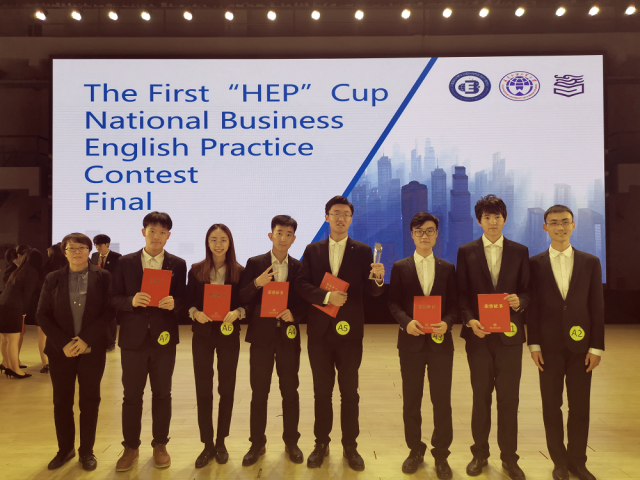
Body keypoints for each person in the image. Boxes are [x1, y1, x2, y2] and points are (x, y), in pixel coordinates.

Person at [295, 195, 384, 471]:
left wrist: (379, 279)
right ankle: (321, 444)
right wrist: (326, 297)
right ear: (326, 218)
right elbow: (301, 284)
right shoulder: (312, 250)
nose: (340, 218)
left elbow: (371, 292)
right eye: (335, 213)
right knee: (321, 392)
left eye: (345, 214)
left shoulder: (363, 250)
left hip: (350, 333)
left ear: (351, 219)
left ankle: (350, 446)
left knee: (349, 393)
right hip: (320, 332)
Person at [456, 194, 530, 480]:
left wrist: (520, 302)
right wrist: (469, 320)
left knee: (509, 400)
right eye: (487, 217)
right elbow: (462, 294)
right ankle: (480, 454)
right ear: (479, 221)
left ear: (505, 219)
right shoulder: (466, 251)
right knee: (481, 397)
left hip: (510, 337)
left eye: (497, 216)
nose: (492, 222)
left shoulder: (520, 251)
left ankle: (510, 458)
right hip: (479, 336)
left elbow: (528, 291)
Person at [528, 205, 604, 480]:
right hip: (547, 348)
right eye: (553, 223)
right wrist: (534, 345)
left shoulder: (590, 262)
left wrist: (596, 347)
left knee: (580, 406)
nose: (560, 227)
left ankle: (578, 462)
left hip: (582, 348)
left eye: (565, 222)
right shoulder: (534, 264)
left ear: (573, 225)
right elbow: (533, 308)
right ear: (545, 227)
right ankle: (559, 462)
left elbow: (597, 306)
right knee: (551, 406)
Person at [110, 212, 187, 472]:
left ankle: (160, 445)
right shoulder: (125, 262)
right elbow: (112, 297)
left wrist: (176, 303)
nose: (157, 236)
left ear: (168, 236)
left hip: (164, 339)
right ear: (143, 232)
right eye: (152, 231)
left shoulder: (177, 264)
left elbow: (184, 298)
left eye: (162, 232)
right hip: (133, 339)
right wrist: (130, 301)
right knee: (131, 395)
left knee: (162, 394)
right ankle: (130, 446)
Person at [388, 212, 457, 478]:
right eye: (419, 231)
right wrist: (406, 322)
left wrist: (447, 323)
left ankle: (441, 454)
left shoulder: (447, 268)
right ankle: (415, 450)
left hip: (441, 344)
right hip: (411, 343)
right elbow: (393, 303)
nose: (424, 236)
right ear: (412, 235)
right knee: (411, 401)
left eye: (429, 231)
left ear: (436, 234)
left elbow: (454, 305)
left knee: (442, 401)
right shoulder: (400, 266)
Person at [36, 233, 112, 471]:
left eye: (82, 247)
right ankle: (65, 449)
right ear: (64, 252)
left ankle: (86, 451)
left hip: (92, 350)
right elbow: (42, 314)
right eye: (72, 248)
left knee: (90, 401)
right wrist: (64, 343)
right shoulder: (53, 278)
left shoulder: (103, 277)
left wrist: (86, 338)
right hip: (61, 352)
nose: (77, 252)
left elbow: (109, 312)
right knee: (62, 401)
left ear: (90, 251)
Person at [238, 215, 308, 466]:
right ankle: (257, 443)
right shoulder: (255, 263)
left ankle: (291, 441)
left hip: (288, 335)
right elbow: (241, 296)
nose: (283, 238)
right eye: (279, 233)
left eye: (288, 234)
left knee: (290, 390)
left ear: (294, 239)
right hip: (261, 336)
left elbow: (306, 301)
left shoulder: (299, 267)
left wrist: (295, 314)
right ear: (271, 235)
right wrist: (257, 283)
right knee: (259, 392)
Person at [187, 223, 246, 469]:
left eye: (223, 239)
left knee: (227, 388)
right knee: (203, 389)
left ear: (229, 243)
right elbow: (188, 300)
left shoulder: (240, 272)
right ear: (207, 243)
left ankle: (221, 441)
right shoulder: (196, 270)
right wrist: (194, 312)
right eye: (213, 239)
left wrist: (239, 311)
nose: (218, 244)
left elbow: (246, 302)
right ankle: (207, 443)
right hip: (202, 334)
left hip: (228, 334)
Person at [0, 246, 40, 378]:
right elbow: (27, 295)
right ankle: (15, 369)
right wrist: (23, 311)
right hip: (14, 307)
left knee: (5, 339)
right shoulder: (32, 272)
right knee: (13, 340)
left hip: (3, 304)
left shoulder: (18, 271)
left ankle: (7, 365)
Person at [38, 243, 67, 374]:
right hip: (62, 307)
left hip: (45, 304)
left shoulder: (45, 269)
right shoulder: (68, 268)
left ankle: (45, 363)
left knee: (43, 335)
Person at [91, 234, 122, 351]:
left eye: (99, 245)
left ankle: (111, 342)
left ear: (107, 244)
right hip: (97, 290)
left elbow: (119, 274)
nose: (97, 247)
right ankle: (105, 341)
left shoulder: (117, 257)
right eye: (95, 245)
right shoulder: (94, 256)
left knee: (111, 316)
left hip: (111, 291)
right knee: (99, 315)